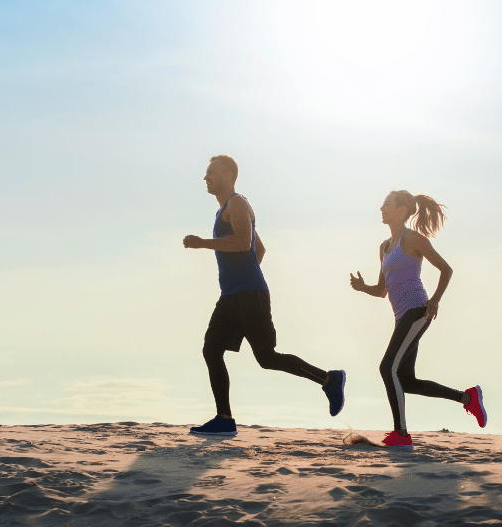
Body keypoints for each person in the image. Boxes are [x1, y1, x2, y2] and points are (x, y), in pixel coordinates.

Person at [184, 155, 346, 436]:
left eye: (211, 172)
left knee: (267, 358)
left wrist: (202, 244)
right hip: (233, 295)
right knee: (211, 349)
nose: (205, 177)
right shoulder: (226, 208)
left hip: (249, 295)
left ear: (227, 175)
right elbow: (259, 251)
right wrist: (240, 272)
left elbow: (243, 243)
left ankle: (330, 379)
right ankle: (224, 419)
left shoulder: (237, 203)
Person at [349, 190, 486, 449]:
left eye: (387, 204)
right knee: (407, 380)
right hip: (401, 316)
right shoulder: (384, 247)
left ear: (402, 210)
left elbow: (446, 269)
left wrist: (435, 300)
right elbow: (382, 291)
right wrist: (362, 286)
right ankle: (468, 399)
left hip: (417, 311)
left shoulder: (413, 239)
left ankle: (401, 434)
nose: (381, 208)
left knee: (386, 367)